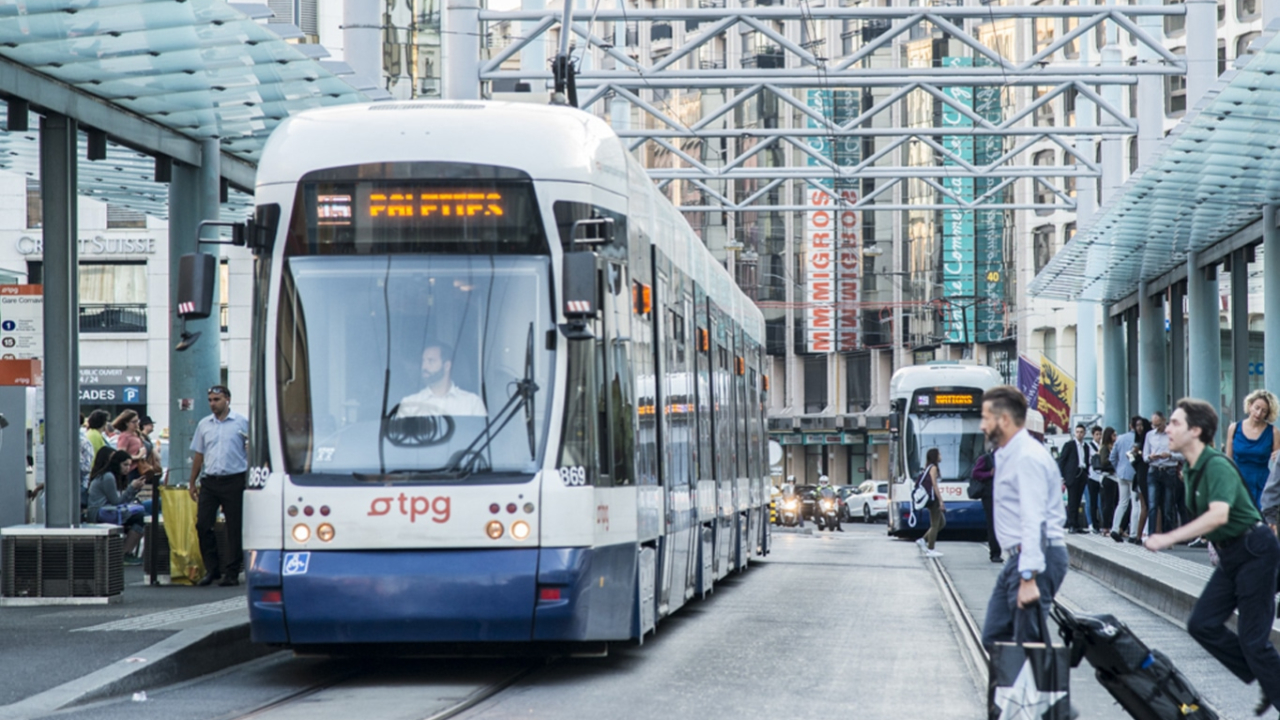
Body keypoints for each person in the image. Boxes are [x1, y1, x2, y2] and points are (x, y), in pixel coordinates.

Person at [1144, 398, 1280, 716]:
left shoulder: (1215, 464)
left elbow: (1219, 515)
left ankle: (1270, 678)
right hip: (1232, 555)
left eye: (1176, 424)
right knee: (1202, 624)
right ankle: (1265, 674)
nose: (1169, 429)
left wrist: (1169, 537)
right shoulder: (1189, 470)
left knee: (1254, 642)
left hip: (1255, 551)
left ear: (1196, 431)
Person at [979, 385, 1069, 650]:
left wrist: (1028, 577)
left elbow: (1034, 518)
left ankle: (1039, 690)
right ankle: (1015, 690)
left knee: (1028, 645)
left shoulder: (1027, 457)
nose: (982, 425)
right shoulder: (1007, 454)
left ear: (1004, 420)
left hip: (1037, 557)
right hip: (1020, 558)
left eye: (986, 418)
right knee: (997, 636)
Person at [188, 384, 250, 587]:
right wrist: (192, 481)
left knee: (234, 527)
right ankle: (212, 568)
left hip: (234, 479)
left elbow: (250, 451)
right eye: (210, 400)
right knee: (203, 524)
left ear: (227, 400)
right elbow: (199, 453)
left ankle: (231, 571)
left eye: (217, 400)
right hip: (210, 480)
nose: (213, 404)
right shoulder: (205, 424)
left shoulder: (241, 423)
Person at [396, 341, 487, 417]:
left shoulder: (472, 403)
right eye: (423, 361)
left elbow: (483, 436)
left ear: (447, 366)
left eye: (431, 361)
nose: (424, 366)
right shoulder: (409, 404)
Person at [86, 448, 146, 563]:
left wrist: (135, 489)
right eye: (125, 465)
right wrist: (132, 488)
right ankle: (124, 553)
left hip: (109, 511)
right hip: (100, 512)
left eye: (129, 465)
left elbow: (122, 501)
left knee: (142, 515)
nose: (127, 468)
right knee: (140, 518)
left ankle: (126, 552)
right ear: (116, 464)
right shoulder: (108, 477)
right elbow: (117, 502)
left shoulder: (113, 476)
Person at [1227, 389, 1280, 510]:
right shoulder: (1234, 428)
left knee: (1261, 523)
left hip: (1262, 485)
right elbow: (1228, 460)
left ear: (1267, 414)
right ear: (1250, 405)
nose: (1259, 413)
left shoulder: (1273, 432)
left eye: (1264, 411)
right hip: (1238, 483)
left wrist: (1277, 456)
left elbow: (1278, 464)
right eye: (1257, 407)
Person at [1144, 411, 1182, 536]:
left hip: (1169, 470)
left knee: (1168, 506)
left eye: (1158, 425)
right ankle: (1151, 534)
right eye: (1154, 425)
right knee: (1153, 505)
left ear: (1164, 421)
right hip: (1154, 469)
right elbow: (1145, 456)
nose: (1156, 428)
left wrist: (1170, 455)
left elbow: (1183, 455)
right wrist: (1150, 457)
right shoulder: (1149, 435)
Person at [1109, 419, 1142, 543]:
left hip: (1121, 473)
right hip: (1134, 474)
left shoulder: (1120, 438)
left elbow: (1112, 457)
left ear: (1129, 426)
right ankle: (1133, 533)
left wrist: (1118, 468)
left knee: (1122, 502)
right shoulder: (1139, 440)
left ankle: (1115, 528)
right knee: (1135, 504)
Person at [1056, 423, 1092, 533]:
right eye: (1077, 432)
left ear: (1085, 433)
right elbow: (1062, 460)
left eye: (1081, 432)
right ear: (1074, 433)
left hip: (1082, 474)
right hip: (1072, 475)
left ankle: (1077, 525)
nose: (1079, 434)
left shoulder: (1086, 447)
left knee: (1078, 500)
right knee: (1072, 501)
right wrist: (1062, 476)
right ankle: (1071, 525)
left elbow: (1086, 460)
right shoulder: (1069, 445)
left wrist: (1086, 473)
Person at [913, 449, 945, 557]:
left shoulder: (928, 467)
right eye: (939, 454)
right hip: (933, 499)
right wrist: (940, 500)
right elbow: (934, 485)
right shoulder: (933, 468)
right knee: (935, 524)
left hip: (931, 498)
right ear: (935, 456)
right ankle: (931, 549)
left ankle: (923, 540)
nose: (941, 456)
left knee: (942, 523)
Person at [972, 444, 1001, 563]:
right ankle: (995, 553)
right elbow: (975, 473)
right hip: (990, 496)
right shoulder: (986, 459)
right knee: (993, 524)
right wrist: (989, 474)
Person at [1084, 425, 1105, 533]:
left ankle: (1102, 523)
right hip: (1092, 476)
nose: (1099, 436)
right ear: (1093, 435)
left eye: (1100, 434)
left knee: (1101, 501)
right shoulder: (1089, 446)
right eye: (1097, 434)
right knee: (1091, 502)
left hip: (1101, 477)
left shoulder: (1103, 446)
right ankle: (1092, 523)